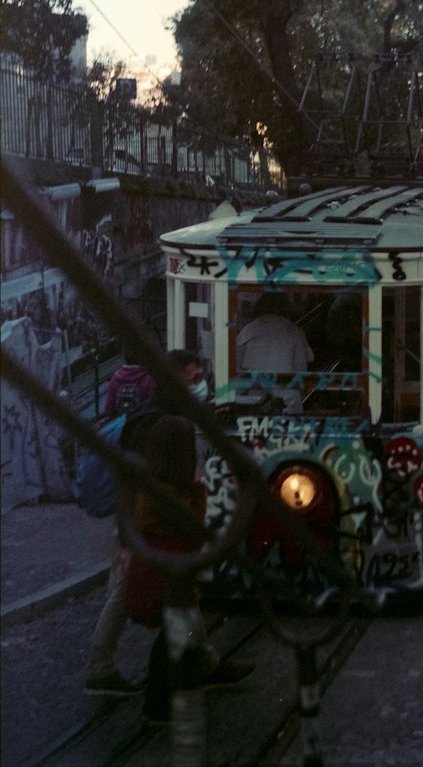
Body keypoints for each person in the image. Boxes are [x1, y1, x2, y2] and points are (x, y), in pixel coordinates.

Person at [83, 349, 207, 697]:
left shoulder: (157, 412)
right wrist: (126, 536)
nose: (199, 386)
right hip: (144, 523)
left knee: (178, 587)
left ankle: (205, 658)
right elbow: (131, 478)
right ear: (178, 377)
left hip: (145, 520)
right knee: (125, 592)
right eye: (194, 379)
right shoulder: (155, 420)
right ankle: (98, 668)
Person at [131, 415, 254, 726]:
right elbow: (195, 525)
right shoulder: (170, 493)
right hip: (166, 578)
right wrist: (199, 486)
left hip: (163, 573)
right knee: (172, 637)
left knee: (184, 627)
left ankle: (206, 667)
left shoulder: (156, 483)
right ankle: (156, 706)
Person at [237, 292, 313, 412]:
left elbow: (237, 366)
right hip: (287, 398)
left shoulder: (248, 330)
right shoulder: (293, 330)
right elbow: (301, 368)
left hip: (256, 399)